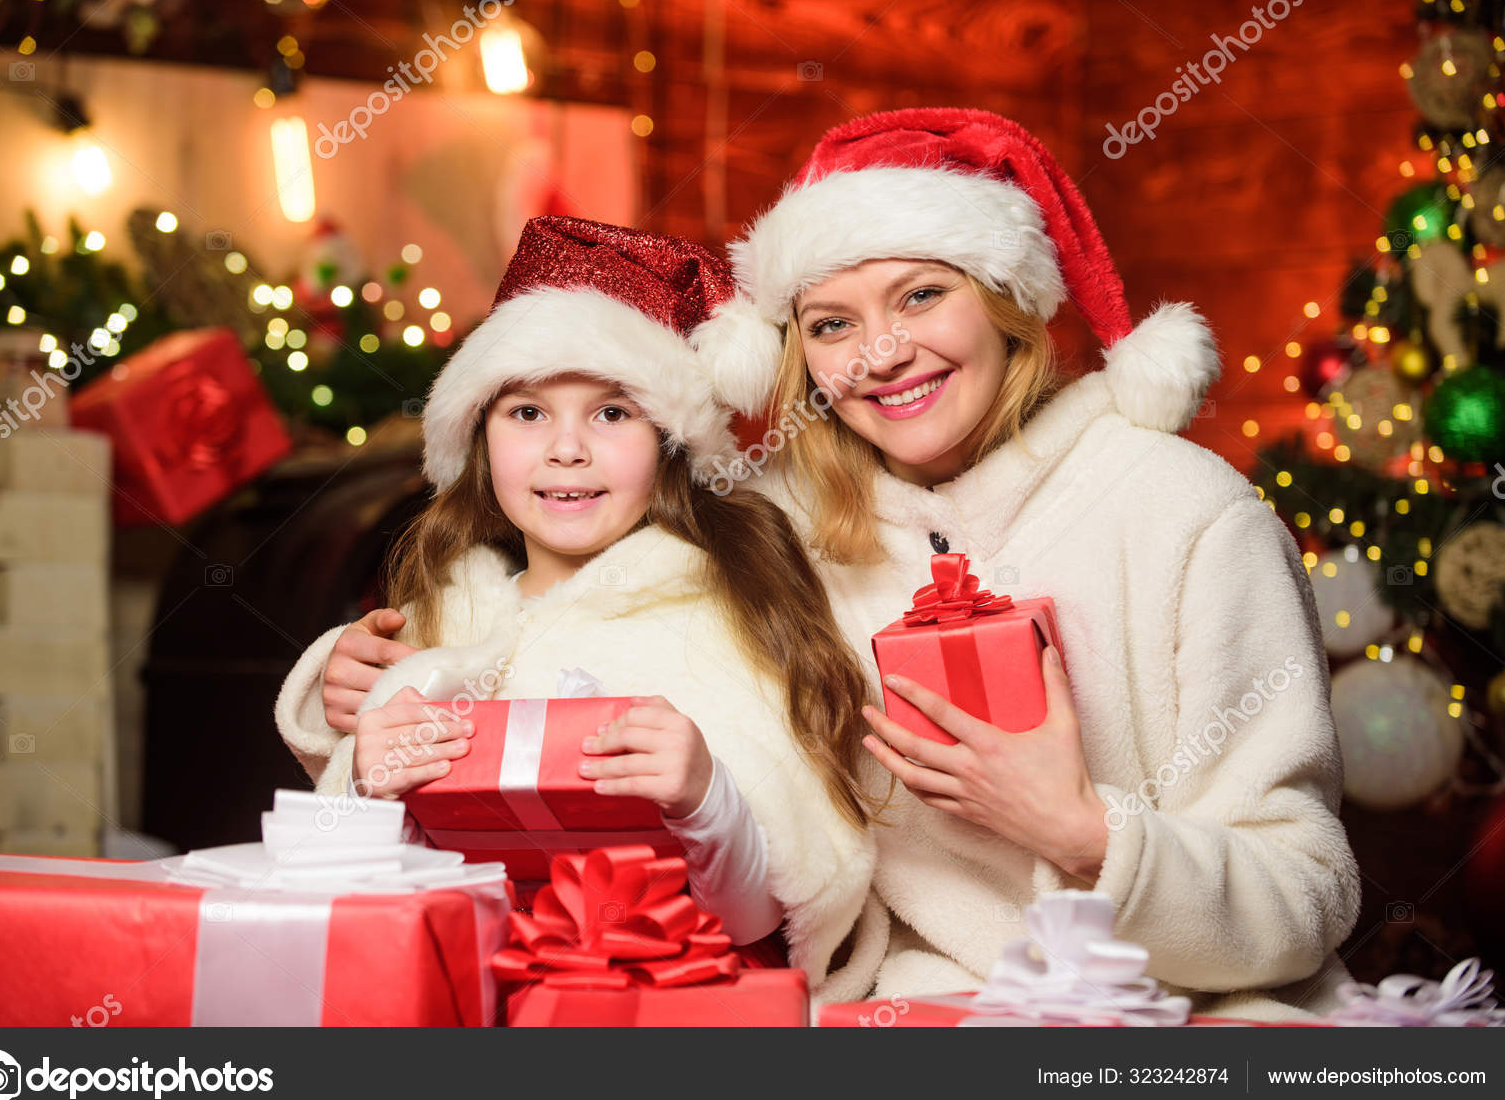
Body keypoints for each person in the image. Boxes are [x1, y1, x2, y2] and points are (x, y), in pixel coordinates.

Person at [689, 107, 1362, 1021]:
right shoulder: (778, 539)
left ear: (1006, 302)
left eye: (922, 295)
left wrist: (1085, 833)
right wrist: (456, 649)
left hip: (1193, 1023)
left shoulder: (1185, 510)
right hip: (930, 1021)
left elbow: (1306, 894)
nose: (881, 355)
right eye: (832, 323)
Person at [275, 215, 883, 1000]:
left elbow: (770, 919)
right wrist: (364, 785)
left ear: (670, 442)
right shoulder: (443, 620)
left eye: (612, 412)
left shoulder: (721, 612)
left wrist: (709, 800)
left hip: (655, 1014)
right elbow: (354, 897)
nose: (568, 448)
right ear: (480, 436)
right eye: (527, 413)